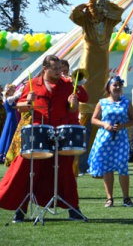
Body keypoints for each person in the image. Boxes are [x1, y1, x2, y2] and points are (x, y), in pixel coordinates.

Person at [0, 55, 89, 222]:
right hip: (37, 132)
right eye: (54, 69)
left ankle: (73, 210)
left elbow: (79, 103)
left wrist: (74, 103)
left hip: (60, 134)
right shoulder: (33, 84)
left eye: (59, 68)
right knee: (26, 171)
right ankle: (20, 209)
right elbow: (19, 107)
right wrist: (28, 102)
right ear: (45, 68)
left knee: (64, 173)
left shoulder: (67, 84)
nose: (58, 72)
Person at [70, 0, 124, 176]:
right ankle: (78, 165)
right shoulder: (86, 21)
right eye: (98, 5)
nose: (100, 8)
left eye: (103, 5)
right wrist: (84, 5)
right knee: (87, 84)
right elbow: (73, 14)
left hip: (103, 59)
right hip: (89, 58)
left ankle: (96, 164)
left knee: (102, 84)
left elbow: (119, 11)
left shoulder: (109, 21)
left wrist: (108, 7)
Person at [88, 76, 133, 207]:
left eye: (119, 85)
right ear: (109, 87)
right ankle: (109, 198)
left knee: (123, 167)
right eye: (115, 85)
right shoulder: (102, 102)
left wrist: (122, 125)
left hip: (120, 139)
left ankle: (126, 198)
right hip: (105, 139)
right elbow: (93, 119)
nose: (117, 87)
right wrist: (104, 124)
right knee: (107, 168)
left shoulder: (126, 102)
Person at [0, 84, 23, 163]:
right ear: (9, 91)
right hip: (11, 117)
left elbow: (16, 94)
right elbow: (18, 95)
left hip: (10, 117)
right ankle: (6, 153)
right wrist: (24, 88)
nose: (14, 91)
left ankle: (4, 153)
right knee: (10, 134)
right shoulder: (9, 98)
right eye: (13, 90)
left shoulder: (6, 98)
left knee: (7, 133)